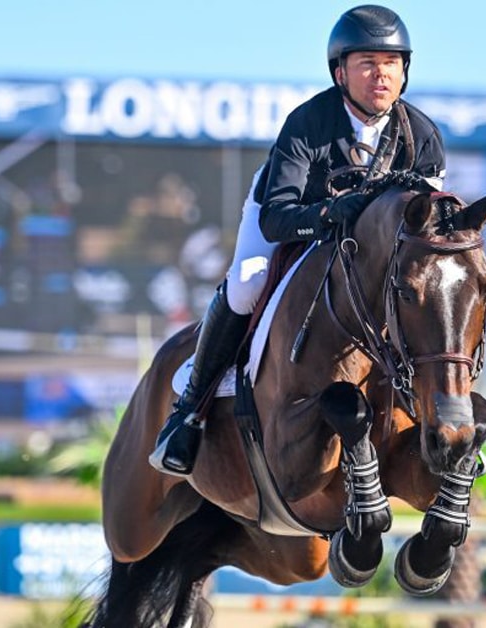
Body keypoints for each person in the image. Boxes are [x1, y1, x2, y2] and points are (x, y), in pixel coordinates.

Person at [149, 4, 447, 477]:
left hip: (370, 252)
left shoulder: (423, 136)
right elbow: (278, 220)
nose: (381, 75)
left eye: (391, 64)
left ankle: (447, 415)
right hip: (294, 217)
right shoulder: (308, 123)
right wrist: (333, 213)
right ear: (339, 72)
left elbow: (425, 231)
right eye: (367, 63)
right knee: (248, 281)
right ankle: (189, 411)